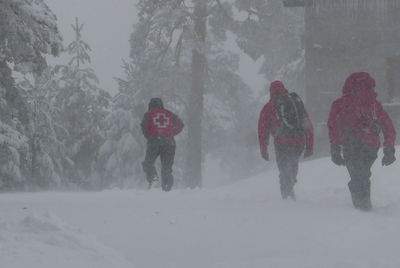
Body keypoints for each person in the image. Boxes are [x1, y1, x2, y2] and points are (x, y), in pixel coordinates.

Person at [328, 72, 396, 211]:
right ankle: (364, 206)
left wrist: (335, 147)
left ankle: (362, 209)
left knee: (358, 175)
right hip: (371, 145)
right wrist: (389, 149)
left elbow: (333, 125)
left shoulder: (340, 103)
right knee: (363, 173)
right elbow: (388, 127)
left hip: (351, 144)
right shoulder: (374, 104)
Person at [258, 81, 314, 200]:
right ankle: (290, 184)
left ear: (271, 91)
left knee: (284, 168)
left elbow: (262, 130)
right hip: (299, 142)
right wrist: (309, 145)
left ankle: (286, 196)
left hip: (282, 143)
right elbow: (307, 124)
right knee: (292, 164)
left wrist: (263, 149)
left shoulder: (269, 107)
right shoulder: (295, 102)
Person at [141, 98, 184, 191]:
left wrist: (150, 136)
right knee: (166, 168)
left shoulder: (149, 114)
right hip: (169, 143)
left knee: (147, 163)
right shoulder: (169, 113)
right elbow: (180, 124)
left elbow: (144, 127)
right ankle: (167, 187)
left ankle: (153, 178)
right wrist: (171, 133)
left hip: (154, 141)